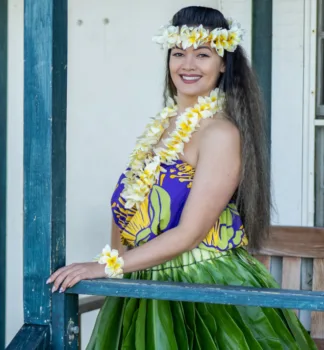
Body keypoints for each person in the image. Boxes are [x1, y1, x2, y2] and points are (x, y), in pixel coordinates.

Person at [47, 6, 316, 349]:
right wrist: (118, 273)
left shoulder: (220, 133)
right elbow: (127, 212)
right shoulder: (163, 127)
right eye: (178, 53)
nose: (187, 64)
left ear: (223, 62)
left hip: (201, 288)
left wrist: (106, 266)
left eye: (202, 54)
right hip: (142, 282)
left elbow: (189, 234)